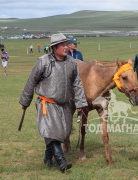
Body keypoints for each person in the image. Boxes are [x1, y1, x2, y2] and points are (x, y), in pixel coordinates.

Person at [19, 33, 88, 172]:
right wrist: (25, 100)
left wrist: (81, 103)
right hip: (47, 103)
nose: (66, 47)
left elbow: (77, 84)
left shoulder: (71, 63)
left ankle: (47, 157)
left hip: (65, 105)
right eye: (62, 45)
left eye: (66, 44)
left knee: (63, 133)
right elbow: (31, 81)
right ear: (54, 48)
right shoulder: (43, 61)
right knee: (52, 131)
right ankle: (61, 161)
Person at [68, 38, 83, 121]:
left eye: (76, 44)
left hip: (78, 78)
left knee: (79, 94)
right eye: (74, 44)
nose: (76, 45)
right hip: (68, 78)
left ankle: (79, 114)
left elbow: (83, 66)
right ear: (69, 45)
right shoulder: (65, 54)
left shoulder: (79, 54)